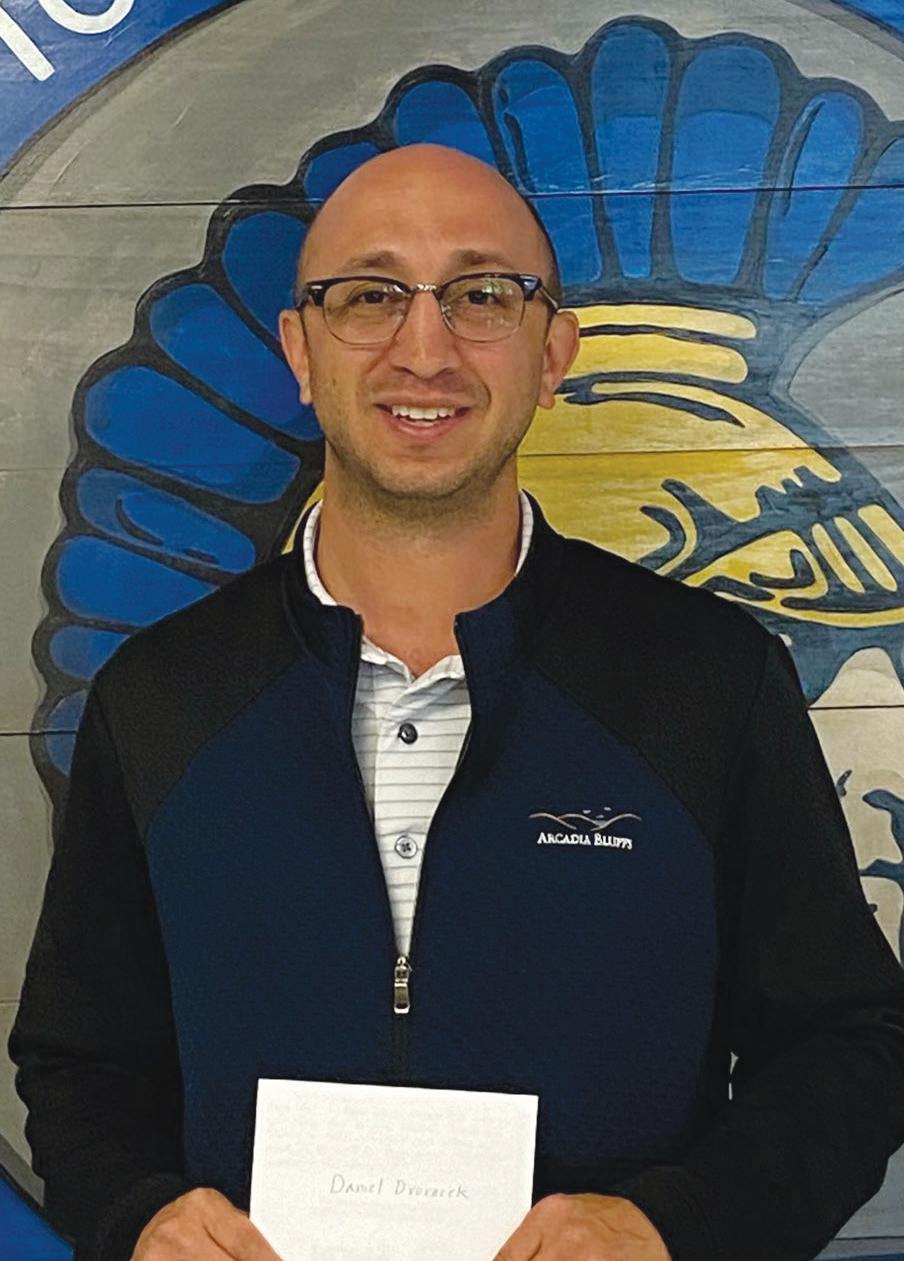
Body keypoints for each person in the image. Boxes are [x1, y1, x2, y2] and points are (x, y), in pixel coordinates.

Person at [8, 143, 904, 1261]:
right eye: (369, 296)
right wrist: (137, 1214)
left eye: (482, 296)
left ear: (551, 351)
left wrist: (676, 1227)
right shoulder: (161, 699)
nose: (423, 350)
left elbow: (849, 1040)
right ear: (300, 349)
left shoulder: (710, 682)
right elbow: (79, 1059)